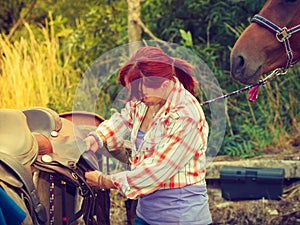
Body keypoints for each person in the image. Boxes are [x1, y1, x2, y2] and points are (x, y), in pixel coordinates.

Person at [84, 46, 212, 225]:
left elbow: (157, 169)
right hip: (146, 215)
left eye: (142, 92)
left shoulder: (187, 116)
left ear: (165, 85)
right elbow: (122, 120)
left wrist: (105, 181)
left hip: (180, 218)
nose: (138, 97)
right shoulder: (145, 101)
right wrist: (97, 138)